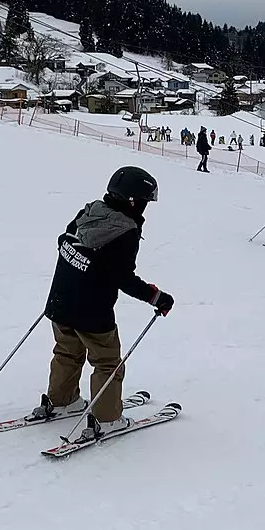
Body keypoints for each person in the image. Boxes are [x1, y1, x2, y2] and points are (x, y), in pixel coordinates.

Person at [27, 166, 174, 436]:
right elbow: (123, 277)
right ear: (133, 201)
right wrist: (157, 297)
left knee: (67, 352)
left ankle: (63, 400)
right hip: (92, 312)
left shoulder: (89, 211)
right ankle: (106, 419)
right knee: (107, 362)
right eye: (143, 202)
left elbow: (64, 240)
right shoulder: (125, 231)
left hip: (59, 302)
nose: (144, 208)